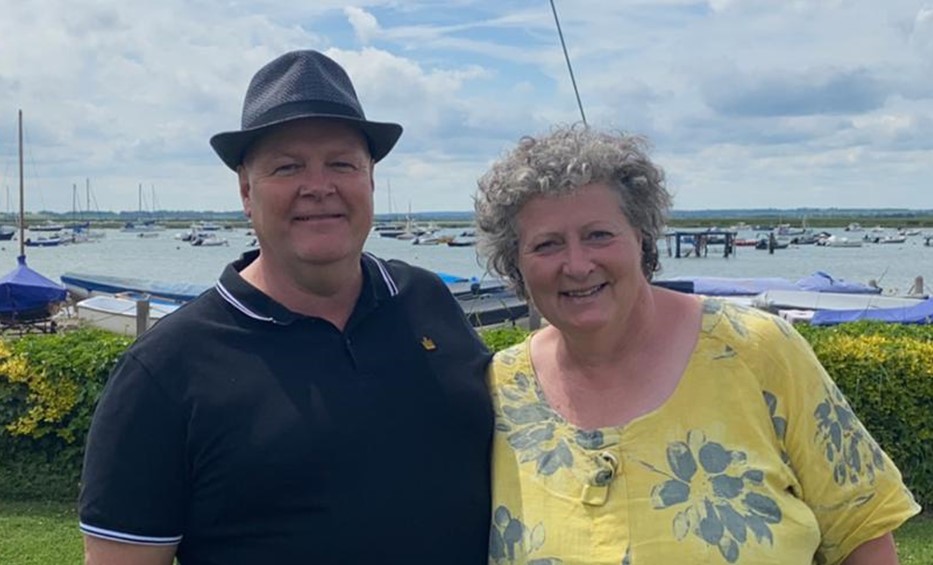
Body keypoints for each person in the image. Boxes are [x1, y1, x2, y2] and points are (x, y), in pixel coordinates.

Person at [79, 50, 493, 565]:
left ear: (370, 181)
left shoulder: (428, 301)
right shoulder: (164, 369)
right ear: (247, 192)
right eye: (287, 166)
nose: (318, 186)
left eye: (342, 163)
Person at [474, 124, 921, 565]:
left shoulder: (756, 350)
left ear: (642, 240)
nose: (576, 264)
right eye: (547, 244)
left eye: (598, 235)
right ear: (515, 264)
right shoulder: (499, 388)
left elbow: (863, 537)